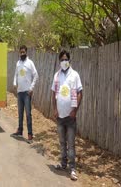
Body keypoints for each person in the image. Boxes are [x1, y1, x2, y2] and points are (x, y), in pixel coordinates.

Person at [51, 50, 83, 181]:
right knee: (62, 142)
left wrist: (75, 110)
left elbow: (80, 92)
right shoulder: (57, 75)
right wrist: (54, 109)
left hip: (70, 116)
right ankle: (63, 164)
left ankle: (73, 168)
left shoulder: (74, 75)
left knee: (71, 143)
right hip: (60, 115)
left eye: (66, 59)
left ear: (69, 60)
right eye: (62, 60)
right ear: (59, 61)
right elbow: (53, 93)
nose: (64, 62)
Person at [11, 45, 38, 141]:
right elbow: (16, 74)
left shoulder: (30, 63)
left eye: (24, 52)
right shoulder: (18, 63)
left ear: (26, 52)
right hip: (19, 92)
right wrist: (14, 83)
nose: (22, 54)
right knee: (20, 113)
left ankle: (30, 134)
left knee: (28, 114)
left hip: (27, 92)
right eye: (21, 52)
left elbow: (36, 75)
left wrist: (31, 88)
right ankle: (20, 131)